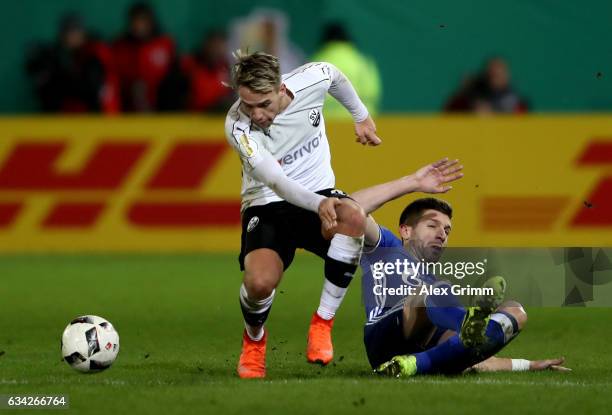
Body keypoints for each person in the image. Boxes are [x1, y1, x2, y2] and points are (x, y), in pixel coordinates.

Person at [224, 50, 381, 378]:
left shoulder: (310, 80)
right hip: (267, 203)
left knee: (354, 218)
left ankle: (322, 323)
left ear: (281, 89)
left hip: (319, 191)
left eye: (263, 104)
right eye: (247, 105)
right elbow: (277, 183)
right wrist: (316, 204)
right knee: (259, 282)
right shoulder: (237, 127)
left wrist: (361, 115)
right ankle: (254, 341)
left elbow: (334, 75)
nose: (256, 114)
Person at [348, 163, 569, 376]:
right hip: (382, 337)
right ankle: (465, 324)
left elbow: (473, 356)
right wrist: (412, 182)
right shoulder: (386, 247)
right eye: (432, 225)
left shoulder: (434, 289)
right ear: (406, 231)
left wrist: (528, 365)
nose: (442, 234)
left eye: (447, 230)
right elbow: (351, 205)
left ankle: (414, 365)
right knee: (437, 292)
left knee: (516, 311)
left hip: (416, 348)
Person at [25, 13, 119, 113]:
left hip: (101, 119)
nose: (67, 38)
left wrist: (59, 78)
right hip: (83, 117)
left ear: (81, 33)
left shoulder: (95, 52)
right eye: (65, 33)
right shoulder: (75, 54)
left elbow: (91, 89)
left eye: (72, 32)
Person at [112, 2, 175, 111]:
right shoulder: (119, 47)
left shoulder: (165, 45)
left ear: (151, 22)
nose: (138, 25)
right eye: (135, 21)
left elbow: (173, 77)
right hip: (126, 109)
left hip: (161, 110)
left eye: (142, 20)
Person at [311, 22, 382, 119]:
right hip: (361, 124)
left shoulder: (315, 62)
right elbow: (373, 93)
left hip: (326, 124)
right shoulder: (362, 61)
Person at [444, 57, 528, 114]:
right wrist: (465, 92)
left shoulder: (516, 102)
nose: (495, 79)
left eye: (498, 75)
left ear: (507, 76)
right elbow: (449, 115)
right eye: (491, 75)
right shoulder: (473, 97)